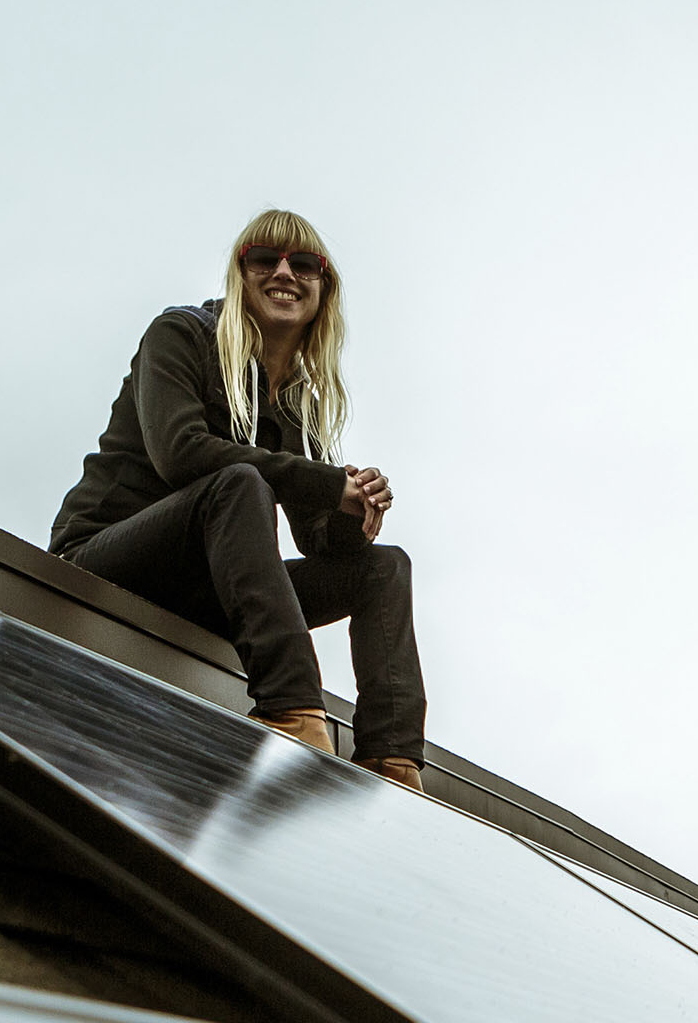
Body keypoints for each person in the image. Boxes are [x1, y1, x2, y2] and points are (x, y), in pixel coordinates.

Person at [50, 209, 426, 789]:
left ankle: (391, 759)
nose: (284, 273)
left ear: (323, 289)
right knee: (239, 485)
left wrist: (356, 510)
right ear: (239, 272)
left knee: (385, 568)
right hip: (104, 559)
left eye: (305, 264)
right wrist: (326, 482)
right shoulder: (180, 335)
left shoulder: (296, 406)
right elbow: (182, 454)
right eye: (264, 259)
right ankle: (293, 711)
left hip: (209, 590)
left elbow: (318, 541)